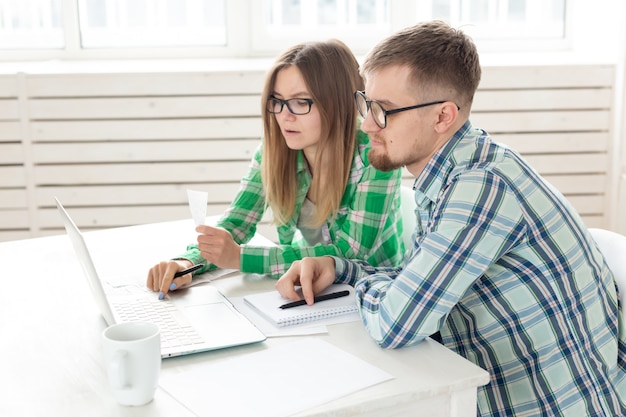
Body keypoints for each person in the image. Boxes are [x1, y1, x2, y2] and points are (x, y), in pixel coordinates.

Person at [276, 21, 626, 416]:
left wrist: (367, 285)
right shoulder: (453, 173)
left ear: (443, 116)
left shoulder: (481, 187)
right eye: (366, 103)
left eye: (384, 111)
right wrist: (340, 269)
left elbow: (397, 322)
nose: (367, 123)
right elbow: (415, 281)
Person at [147, 39, 405, 300]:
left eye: (301, 102)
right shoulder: (277, 149)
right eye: (277, 101)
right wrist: (187, 263)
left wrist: (240, 258)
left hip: (374, 291)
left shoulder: (376, 152)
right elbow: (237, 223)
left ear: (338, 103)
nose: (285, 116)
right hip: (310, 288)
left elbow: (351, 252)